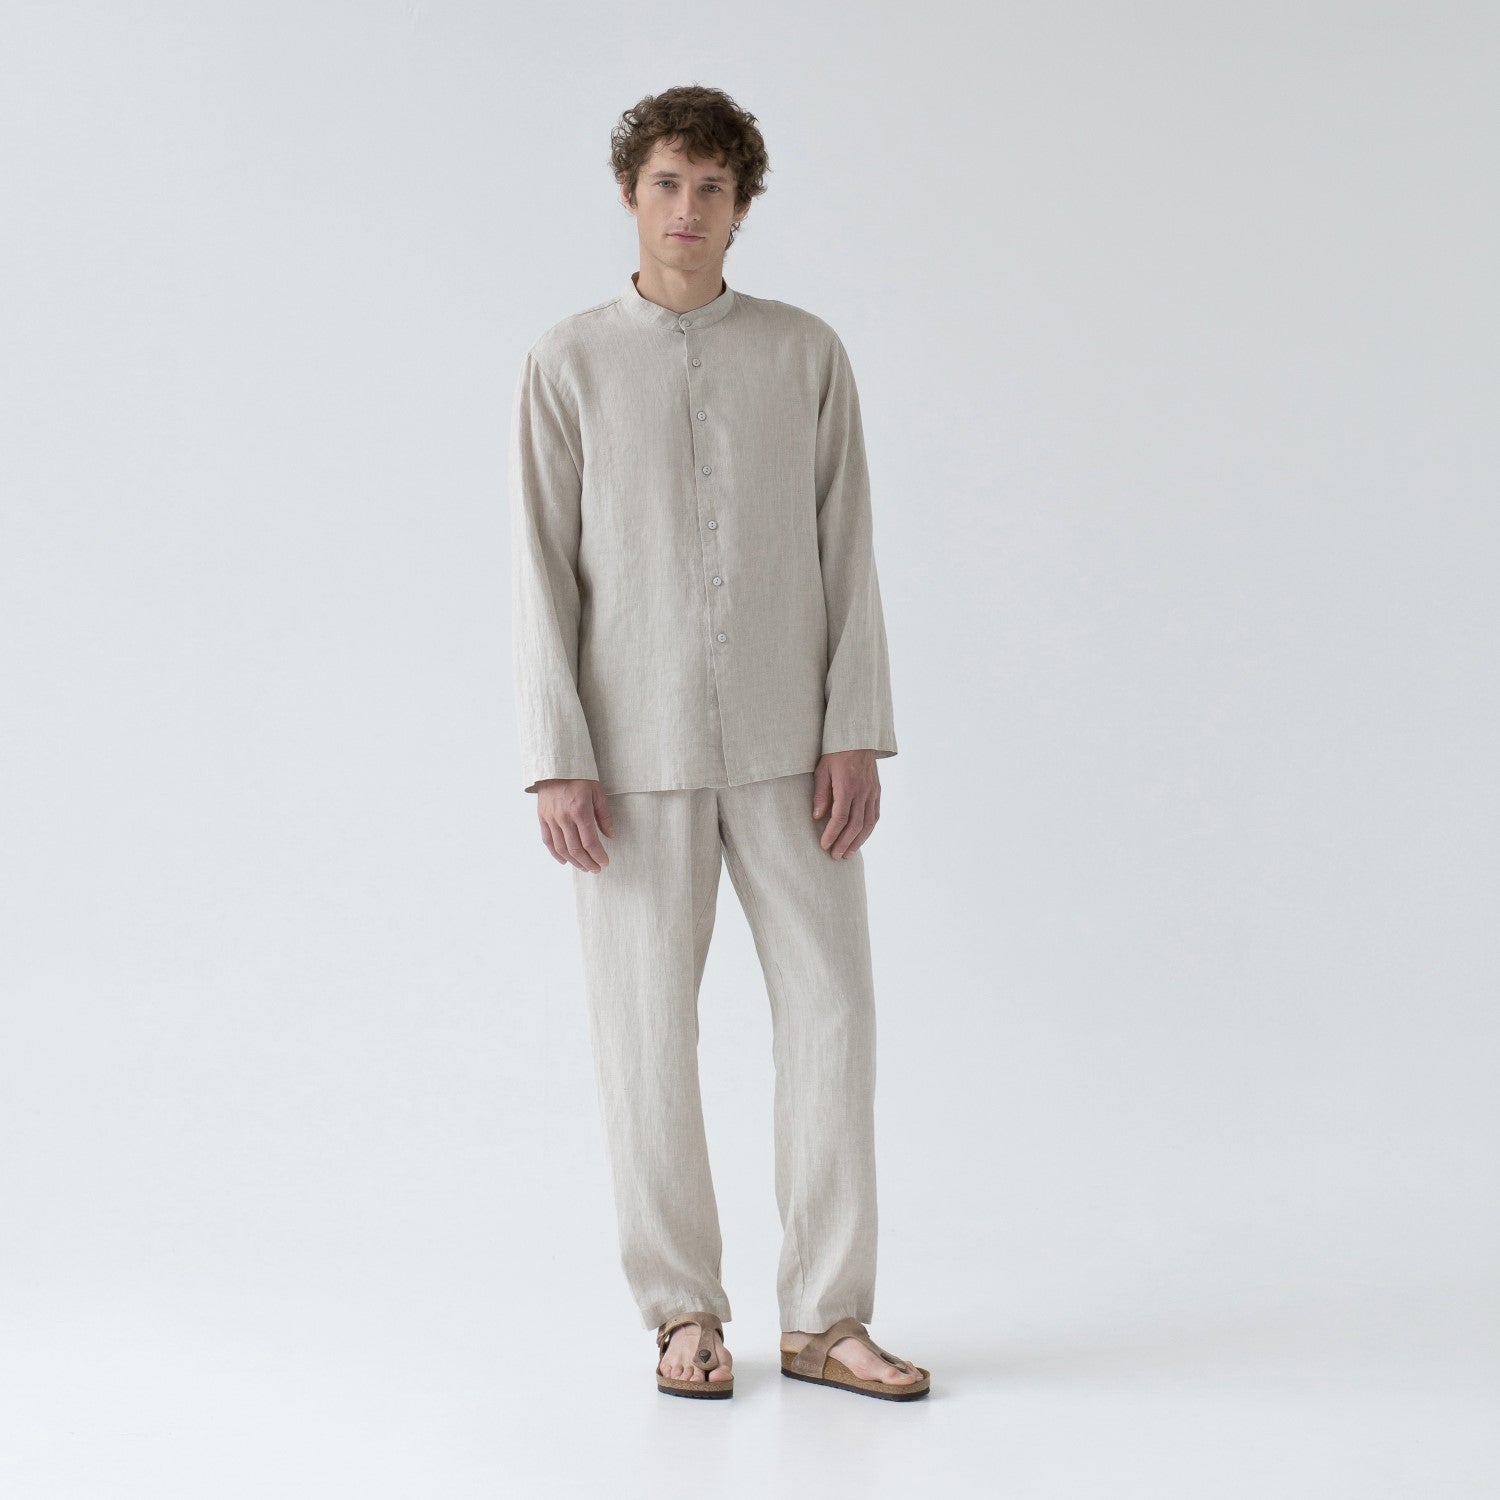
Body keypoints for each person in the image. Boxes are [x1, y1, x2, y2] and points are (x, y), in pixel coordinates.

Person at [508, 84, 929, 1402]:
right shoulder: (568, 362)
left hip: (795, 749)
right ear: (630, 195)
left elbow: (848, 546)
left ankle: (827, 1319)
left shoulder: (805, 353)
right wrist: (557, 753)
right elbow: (541, 568)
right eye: (667, 184)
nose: (688, 208)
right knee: (646, 1040)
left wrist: (854, 729)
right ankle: (682, 1313)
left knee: (835, 1016)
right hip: (628, 762)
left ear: (743, 206)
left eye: (712, 188)